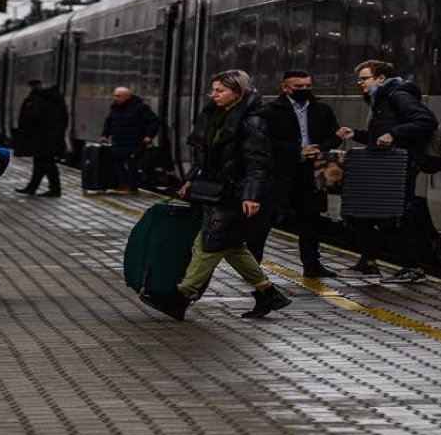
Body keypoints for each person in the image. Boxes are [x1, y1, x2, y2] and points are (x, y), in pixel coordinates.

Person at [140, 70, 291, 321]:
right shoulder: (215, 115)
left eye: (220, 90)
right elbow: (205, 156)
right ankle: (268, 293)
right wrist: (191, 179)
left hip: (236, 192)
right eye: (213, 90)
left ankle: (180, 296)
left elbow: (258, 162)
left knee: (208, 243)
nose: (213, 95)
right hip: (216, 189)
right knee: (230, 246)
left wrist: (251, 196)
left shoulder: (253, 120)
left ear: (238, 92)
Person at [335, 60, 438, 283]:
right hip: (383, 165)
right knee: (361, 213)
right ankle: (368, 263)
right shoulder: (380, 99)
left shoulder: (398, 96)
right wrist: (356, 134)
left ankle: (413, 268)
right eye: (359, 79)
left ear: (381, 79)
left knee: (389, 217)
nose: (360, 83)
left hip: (397, 168)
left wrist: (394, 133)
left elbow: (426, 121)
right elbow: (379, 136)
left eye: (364, 78)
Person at [258, 69, 341, 278]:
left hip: (311, 172)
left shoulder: (321, 109)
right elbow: (264, 140)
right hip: (280, 172)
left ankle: (312, 264)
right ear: (285, 88)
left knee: (311, 219)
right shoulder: (271, 110)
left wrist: (320, 148)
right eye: (298, 86)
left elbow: (334, 135)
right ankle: (253, 265)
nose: (304, 90)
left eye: (307, 86)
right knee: (266, 219)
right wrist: (297, 151)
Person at [14, 79, 69, 197]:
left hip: (40, 137)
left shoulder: (36, 99)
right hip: (53, 136)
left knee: (47, 163)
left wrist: (25, 134)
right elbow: (65, 118)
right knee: (41, 162)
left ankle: (55, 189)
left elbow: (31, 119)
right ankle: (32, 188)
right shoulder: (57, 98)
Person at [99, 86, 160, 193]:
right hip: (119, 141)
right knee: (118, 163)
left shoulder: (140, 107)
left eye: (118, 96)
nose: (115, 98)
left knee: (132, 165)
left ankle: (132, 186)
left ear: (127, 97)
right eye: (115, 96)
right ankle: (122, 184)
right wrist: (104, 135)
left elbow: (153, 121)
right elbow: (109, 122)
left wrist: (149, 136)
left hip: (135, 141)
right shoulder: (115, 108)